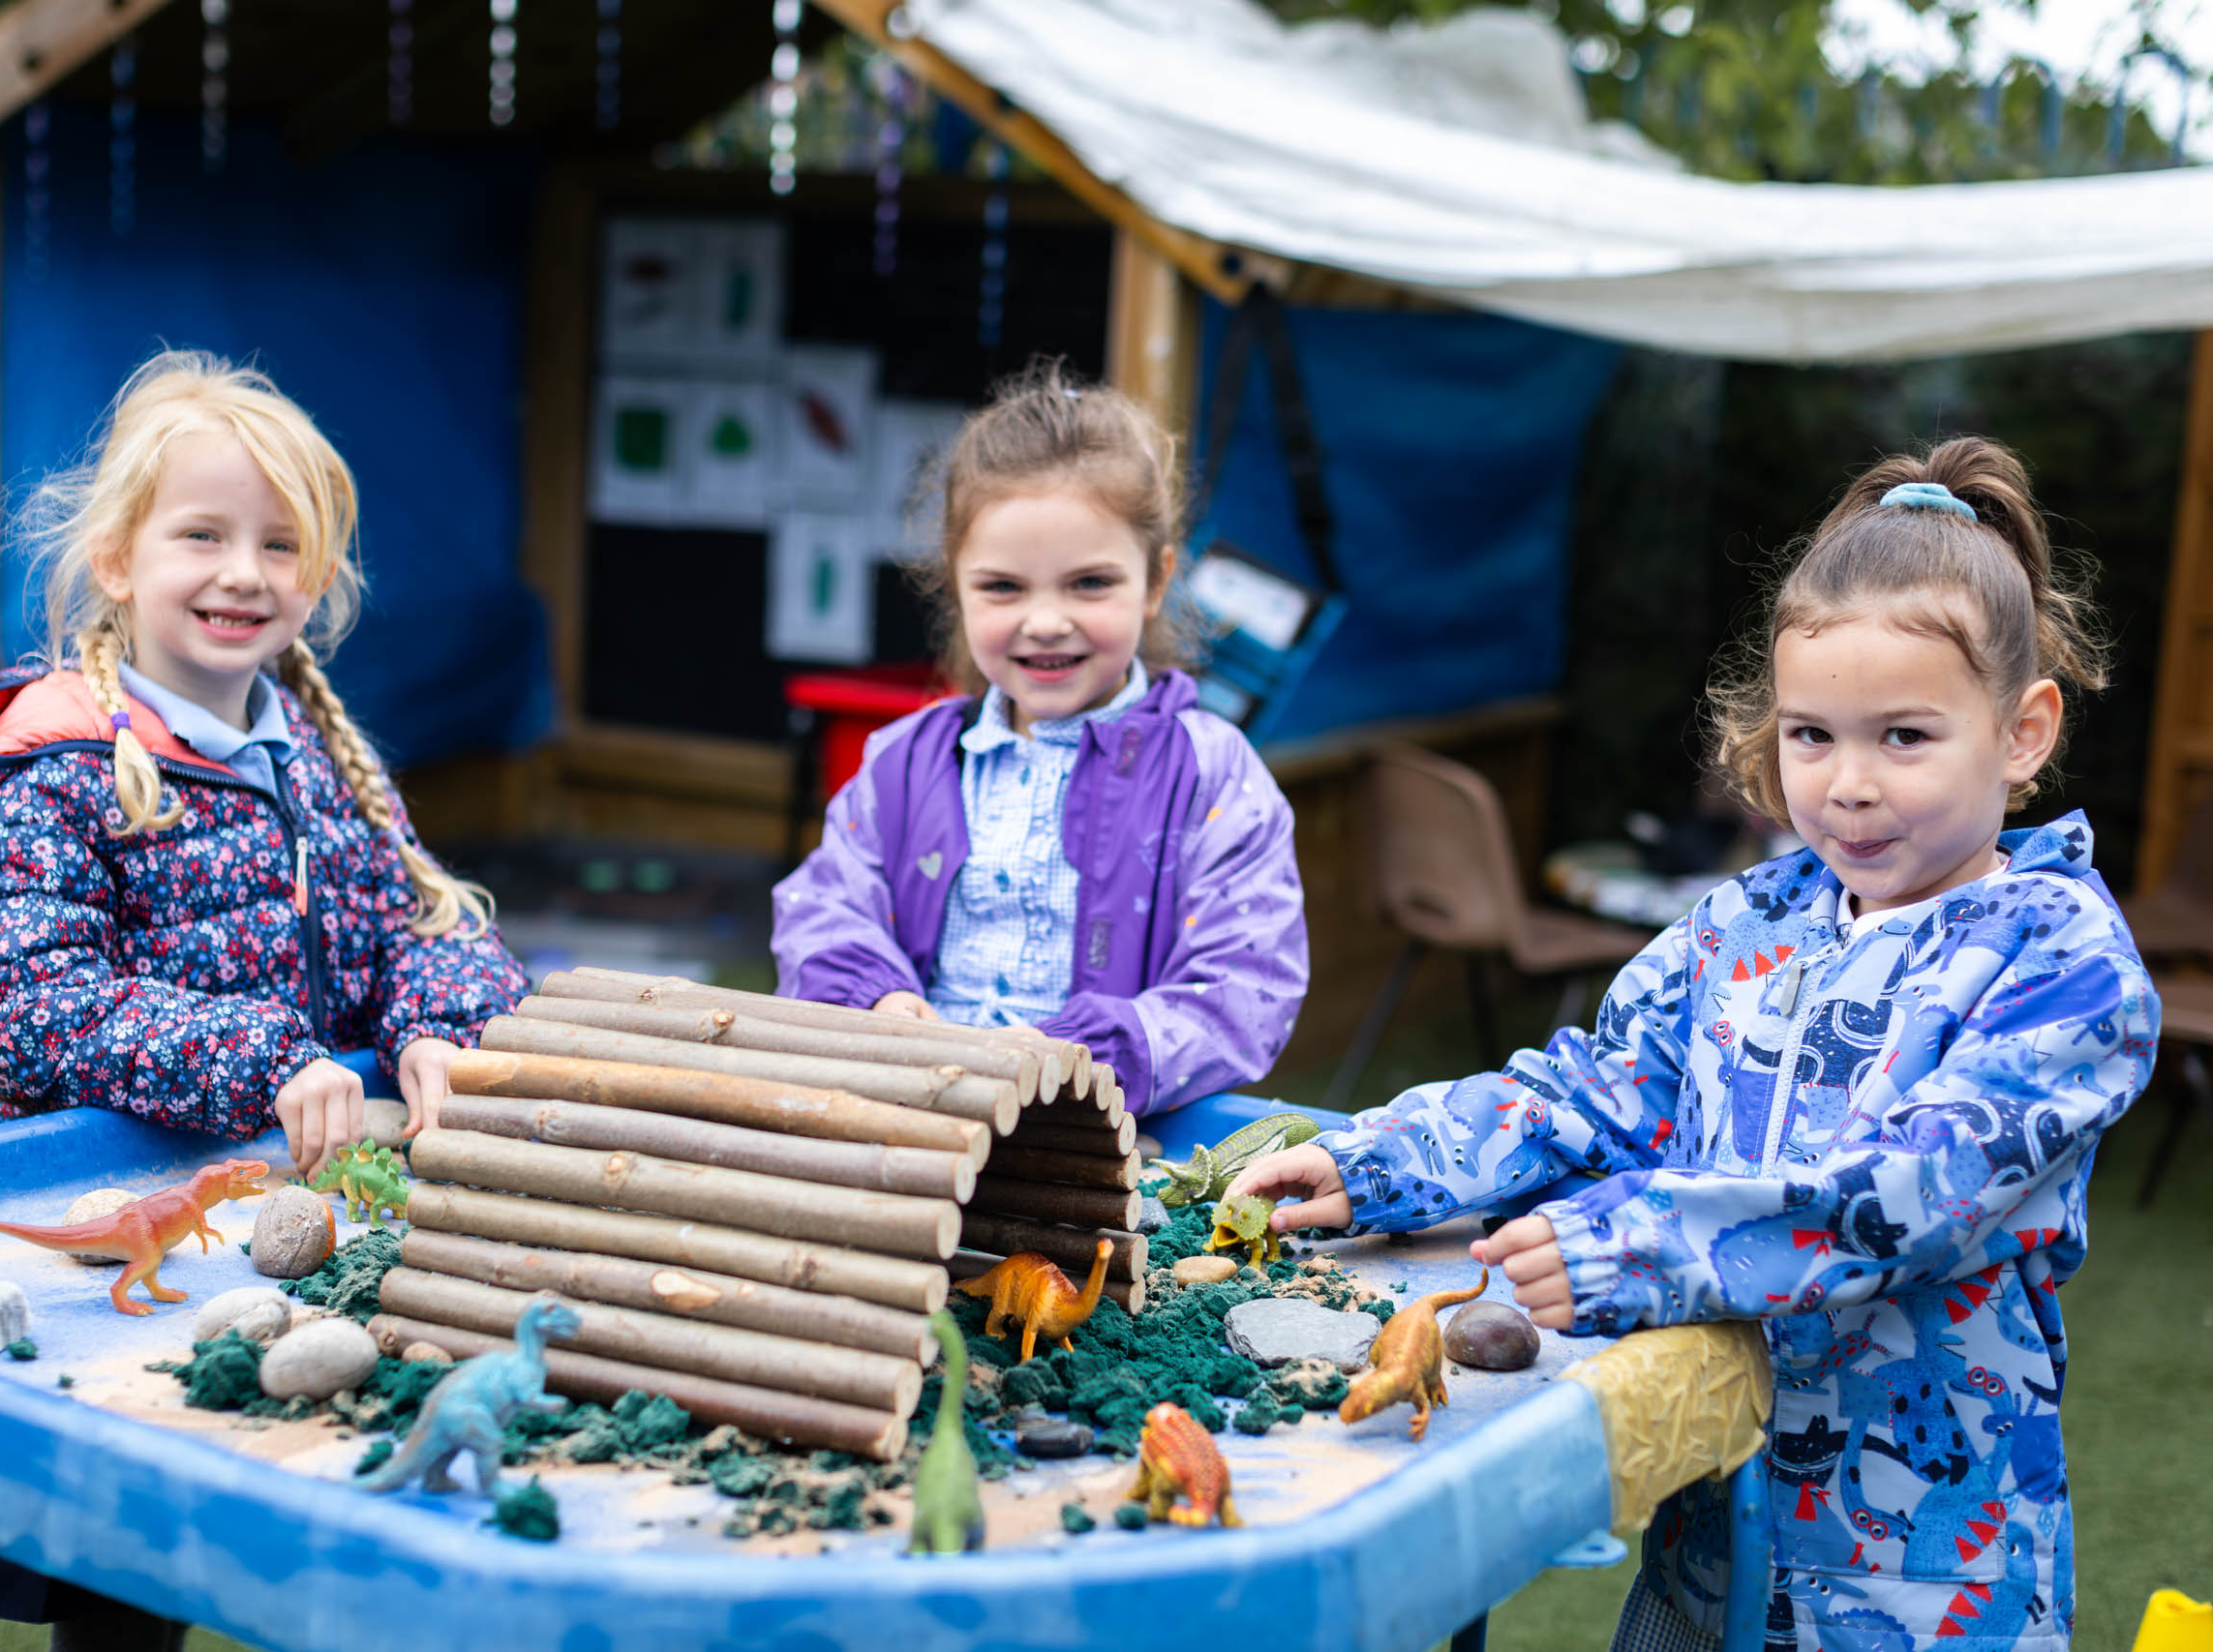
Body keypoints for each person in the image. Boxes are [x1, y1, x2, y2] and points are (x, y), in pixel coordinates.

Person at [1232, 438, 2157, 1651]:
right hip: (1708, 1540)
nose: (1850, 785)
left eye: (1906, 737)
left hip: (1925, 1581)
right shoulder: (1749, 915)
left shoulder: (2063, 964)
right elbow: (1603, 1088)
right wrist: (1379, 1159)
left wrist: (1630, 1245)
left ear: (2023, 731)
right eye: (1812, 736)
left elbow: (1902, 1195)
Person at [0, 350, 527, 1648]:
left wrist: (437, 1029)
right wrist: (262, 1053)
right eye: (204, 534)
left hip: (297, 1222)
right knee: (127, 1565)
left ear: (319, 579)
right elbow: (15, 999)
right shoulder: (61, 768)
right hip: (118, 1226)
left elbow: (420, 921)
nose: (245, 570)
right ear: (119, 561)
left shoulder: (316, 758)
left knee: (328, 1515)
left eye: (280, 544)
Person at [771, 361, 1307, 1115]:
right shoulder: (902, 763)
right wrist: (877, 999)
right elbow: (824, 908)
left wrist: (1082, 1062)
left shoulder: (1212, 775)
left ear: (1155, 581)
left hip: (1100, 1143)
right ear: (955, 584)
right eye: (1003, 586)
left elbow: (1246, 985)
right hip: (911, 1124)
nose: (1046, 620)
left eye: (1089, 583)